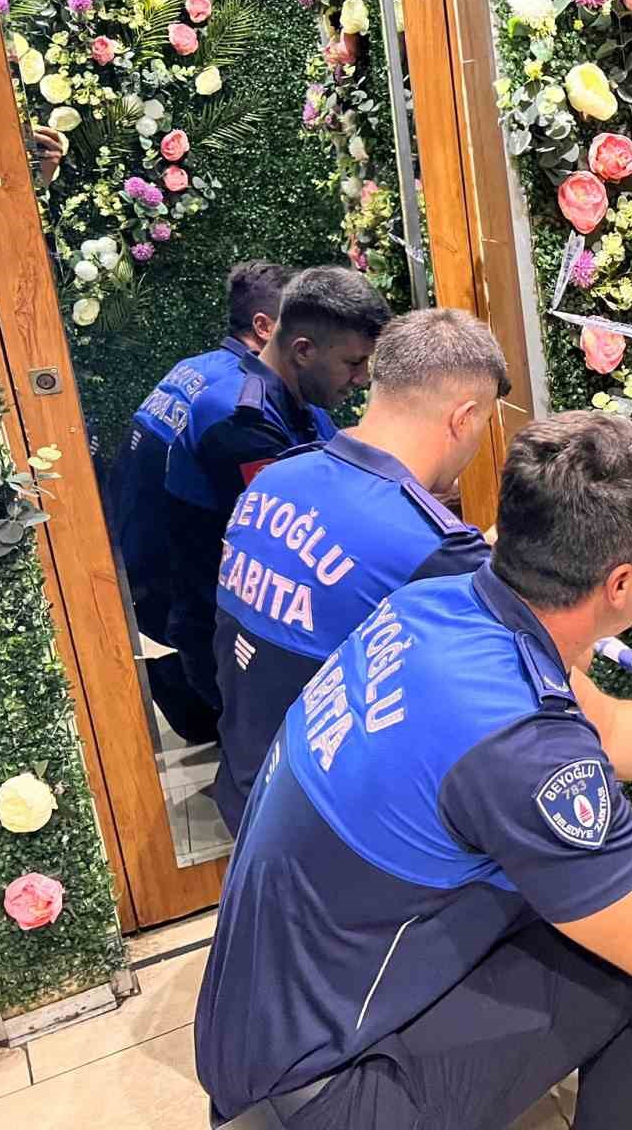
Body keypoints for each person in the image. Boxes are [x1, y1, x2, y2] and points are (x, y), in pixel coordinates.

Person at [195, 411, 632, 1130]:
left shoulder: (442, 602)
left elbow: (610, 730)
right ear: (622, 583)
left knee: (627, 907)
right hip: (319, 1096)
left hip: (257, 1034)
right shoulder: (519, 748)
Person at [211, 308, 510, 836]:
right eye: (484, 423)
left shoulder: (276, 479)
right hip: (339, 832)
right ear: (464, 418)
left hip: (249, 790)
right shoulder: (432, 547)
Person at [165, 265, 390, 723]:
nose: (362, 379)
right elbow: (306, 533)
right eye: (353, 363)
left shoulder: (296, 401)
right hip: (235, 643)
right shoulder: (239, 419)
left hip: (263, 625)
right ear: (303, 351)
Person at [105, 262, 295, 744]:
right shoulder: (238, 398)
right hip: (183, 579)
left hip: (144, 561)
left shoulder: (194, 369)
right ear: (264, 326)